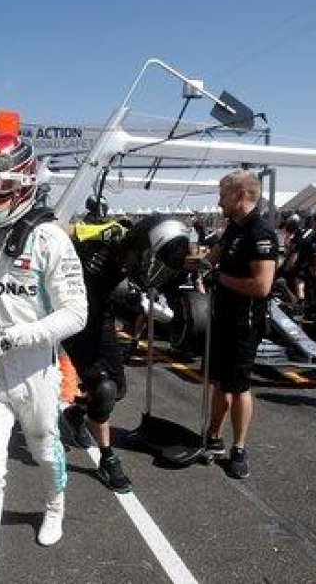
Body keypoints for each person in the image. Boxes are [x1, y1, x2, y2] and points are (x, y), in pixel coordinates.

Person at [0, 125, 87, 584]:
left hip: (36, 372)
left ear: (24, 184)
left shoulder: (50, 239)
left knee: (46, 454)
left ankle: (54, 504)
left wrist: (7, 339)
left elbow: (76, 315)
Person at [63, 211, 190, 494]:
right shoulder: (107, 235)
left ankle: (76, 413)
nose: (149, 268)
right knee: (104, 388)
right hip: (71, 318)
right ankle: (108, 459)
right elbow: (52, 231)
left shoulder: (138, 259)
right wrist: (86, 230)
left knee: (117, 389)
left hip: (101, 317)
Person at [206, 170, 278, 479]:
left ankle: (238, 448)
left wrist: (219, 277)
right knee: (220, 383)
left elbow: (262, 286)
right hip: (221, 316)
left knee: (238, 386)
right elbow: (213, 257)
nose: (219, 201)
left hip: (244, 322)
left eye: (223, 195)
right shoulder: (234, 228)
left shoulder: (260, 232)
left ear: (238, 196)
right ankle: (213, 436)